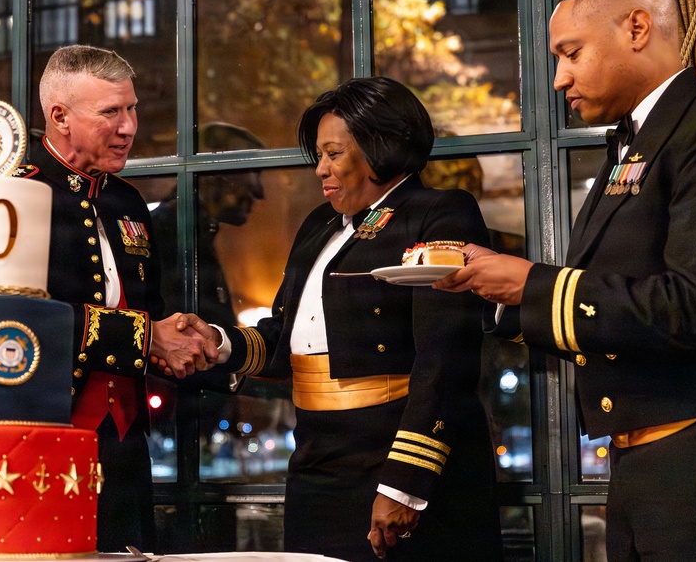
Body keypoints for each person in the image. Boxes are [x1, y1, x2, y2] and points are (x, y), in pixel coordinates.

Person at [434, 0, 696, 560]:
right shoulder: (636, 143)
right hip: (641, 464)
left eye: (571, 53)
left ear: (637, 27)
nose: (561, 77)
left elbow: (693, 306)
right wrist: (494, 290)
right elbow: (609, 295)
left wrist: (531, 285)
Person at [204, 77, 502, 561]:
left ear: (379, 148)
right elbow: (284, 342)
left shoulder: (441, 213)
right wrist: (217, 342)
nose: (320, 169)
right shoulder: (317, 226)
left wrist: (405, 484)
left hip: (392, 461)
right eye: (318, 155)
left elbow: (445, 358)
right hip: (315, 460)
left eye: (333, 153)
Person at [28, 44, 221, 552]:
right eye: (111, 112)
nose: (129, 126)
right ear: (60, 117)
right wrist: (148, 336)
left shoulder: (127, 199)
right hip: (45, 437)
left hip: (127, 440)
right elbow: (16, 318)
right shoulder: (15, 189)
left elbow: (148, 310)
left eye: (131, 108)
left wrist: (179, 339)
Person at [151, 122, 265, 325]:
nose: (259, 191)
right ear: (214, 171)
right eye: (253, 171)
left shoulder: (194, 232)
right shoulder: (166, 234)